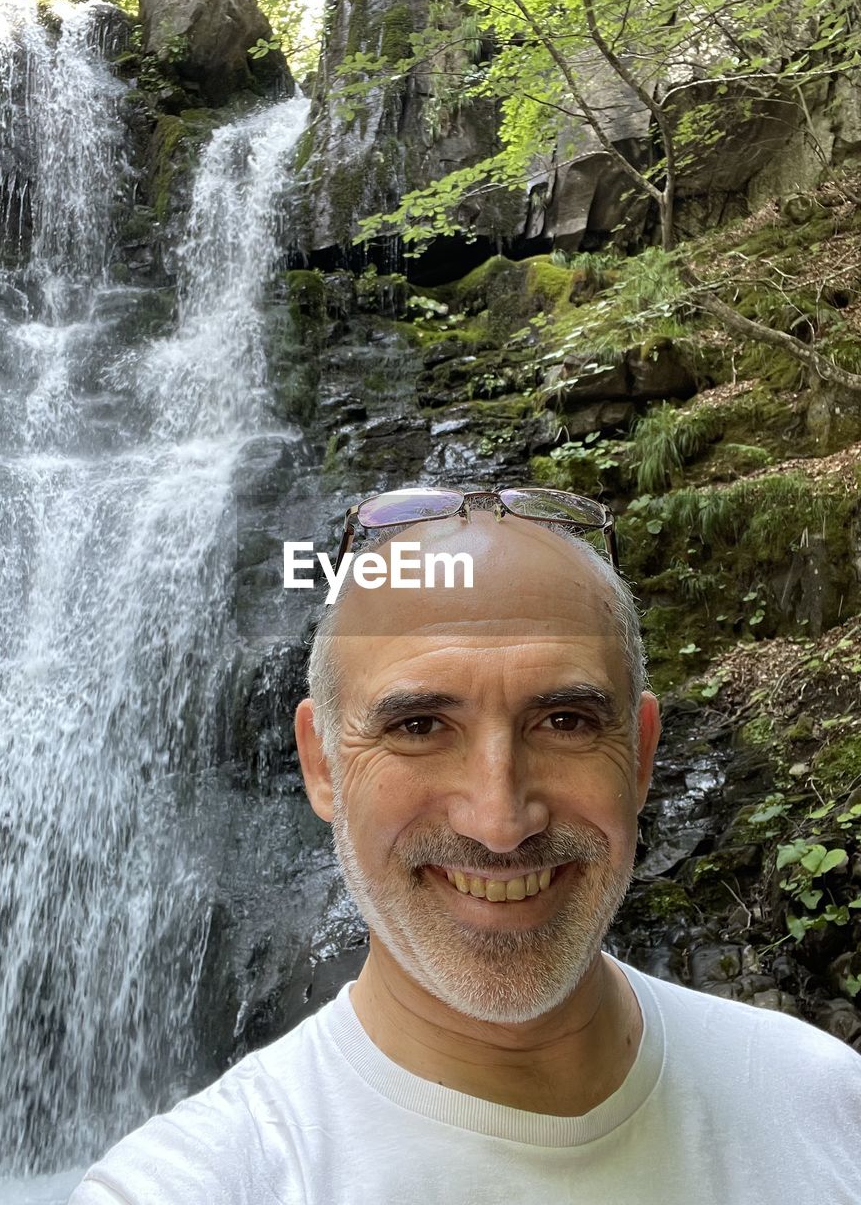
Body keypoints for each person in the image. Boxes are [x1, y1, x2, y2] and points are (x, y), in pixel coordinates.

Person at [69, 487, 861, 1205]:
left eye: (565, 722)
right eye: (418, 727)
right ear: (322, 765)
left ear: (644, 755)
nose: (500, 820)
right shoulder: (199, 1183)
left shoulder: (828, 1107)